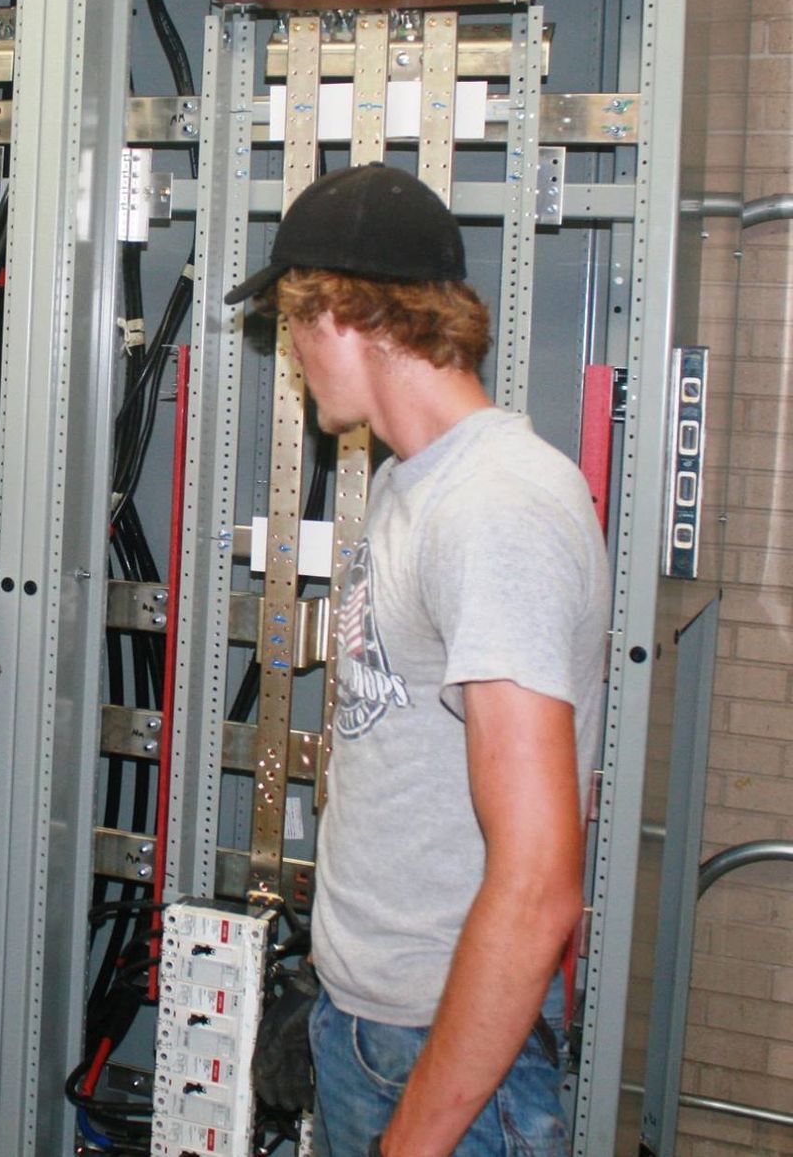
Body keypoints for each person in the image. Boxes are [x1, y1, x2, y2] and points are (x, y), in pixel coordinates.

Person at [225, 164, 610, 1157]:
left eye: (291, 326)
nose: (291, 355)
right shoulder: (408, 483)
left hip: (446, 1061)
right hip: (370, 1026)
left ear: (340, 311)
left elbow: (537, 884)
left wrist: (415, 1137)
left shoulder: (498, 507)